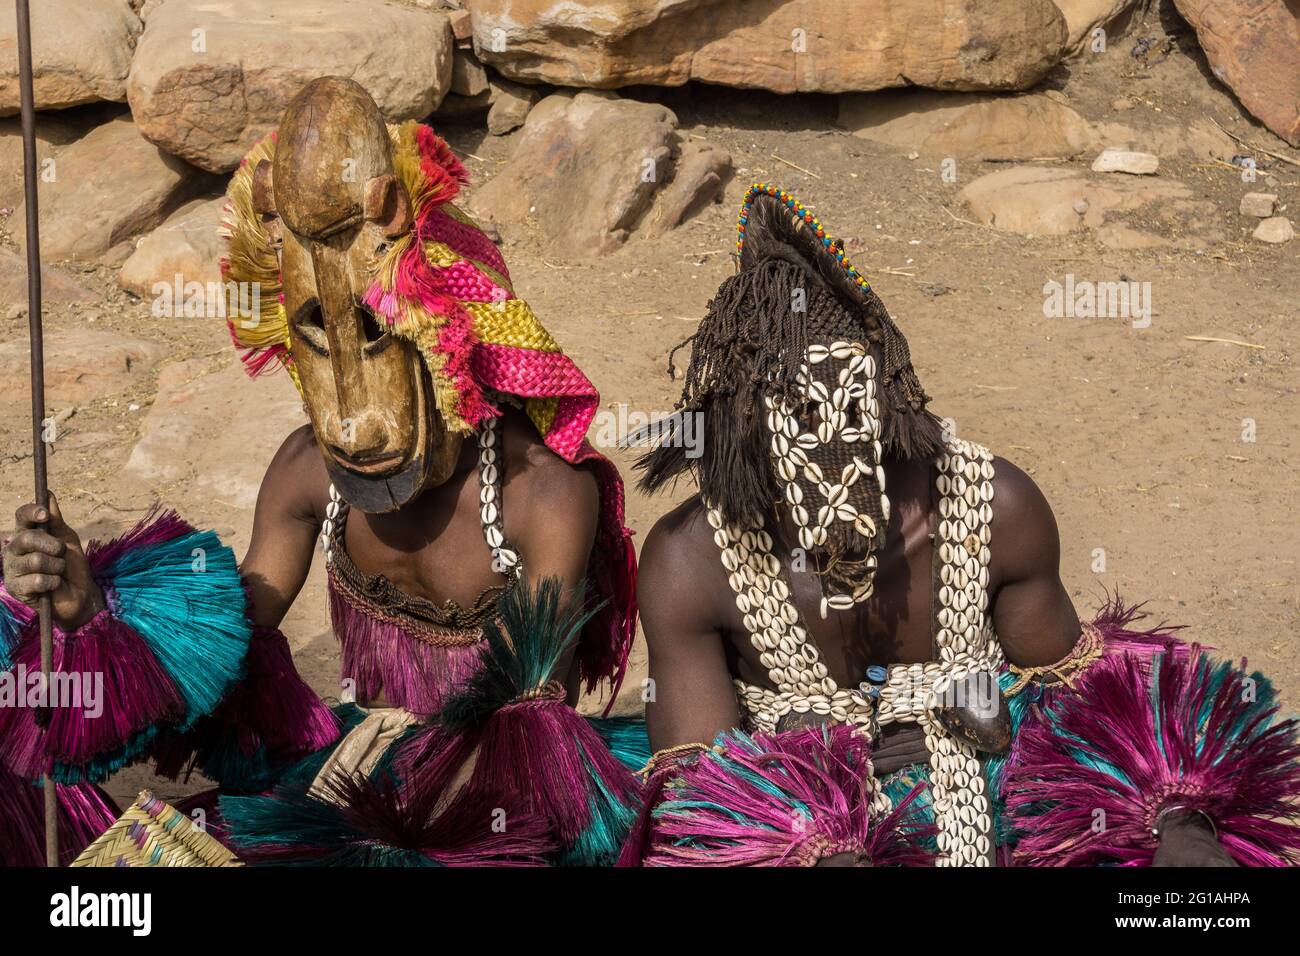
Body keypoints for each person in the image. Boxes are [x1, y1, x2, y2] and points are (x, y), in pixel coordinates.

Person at [1, 77, 640, 866]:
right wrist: (92, 609)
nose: (351, 418)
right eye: (315, 333)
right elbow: (234, 640)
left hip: (507, 810)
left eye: (377, 334)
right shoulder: (309, 473)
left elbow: (519, 723)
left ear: (446, 334)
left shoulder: (545, 493)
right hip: (352, 776)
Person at [621, 183, 1300, 867]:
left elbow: (1075, 688)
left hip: (993, 807)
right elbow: (699, 791)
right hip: (797, 835)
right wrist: (811, 844)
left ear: (887, 400)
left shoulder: (991, 506)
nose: (832, 445)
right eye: (799, 418)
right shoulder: (693, 560)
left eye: (854, 413)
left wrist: (1176, 818)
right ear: (743, 425)